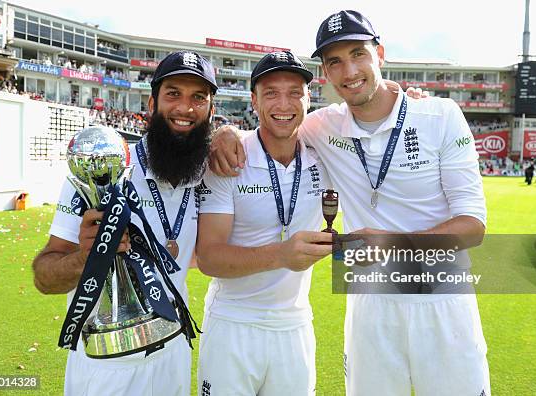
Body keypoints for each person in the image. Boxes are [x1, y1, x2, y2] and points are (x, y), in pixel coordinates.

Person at [210, 10, 489, 396]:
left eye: (358, 54)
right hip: (370, 306)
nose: (349, 71)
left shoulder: (439, 116)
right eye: (335, 61)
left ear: (380, 54)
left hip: (442, 302)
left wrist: (391, 244)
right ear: (325, 72)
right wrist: (222, 131)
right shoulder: (321, 125)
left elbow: (472, 226)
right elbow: (272, 124)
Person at [32, 50, 218, 396]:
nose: (185, 108)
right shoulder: (107, 168)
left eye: (198, 98)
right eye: (173, 94)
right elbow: (44, 277)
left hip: (174, 353)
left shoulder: (206, 172)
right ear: (151, 104)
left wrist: (231, 137)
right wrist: (85, 257)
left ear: (211, 110)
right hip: (108, 361)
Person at [195, 51, 332, 396]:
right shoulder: (230, 157)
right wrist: (280, 256)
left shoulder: (327, 153)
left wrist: (411, 104)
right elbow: (209, 258)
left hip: (294, 325)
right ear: (254, 101)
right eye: (271, 92)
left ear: (308, 98)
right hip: (234, 323)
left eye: (294, 92)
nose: (283, 103)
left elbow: (371, 114)